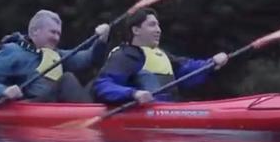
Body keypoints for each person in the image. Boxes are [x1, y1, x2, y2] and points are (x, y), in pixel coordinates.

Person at [92, 7, 228, 104]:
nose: (158, 30)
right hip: (140, 114)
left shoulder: (161, 55)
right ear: (136, 30)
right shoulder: (124, 56)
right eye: (152, 25)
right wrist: (133, 93)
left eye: (158, 25)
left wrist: (211, 63)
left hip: (167, 110)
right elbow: (103, 85)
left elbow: (187, 70)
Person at [0, 9, 110, 104]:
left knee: (100, 80)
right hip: (29, 105)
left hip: (53, 105)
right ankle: (92, 116)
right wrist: (4, 91)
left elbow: (89, 59)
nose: (56, 38)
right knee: (67, 79)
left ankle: (97, 111)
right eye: (52, 32)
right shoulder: (12, 51)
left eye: (58, 34)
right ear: (35, 31)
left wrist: (101, 40)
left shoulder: (57, 54)